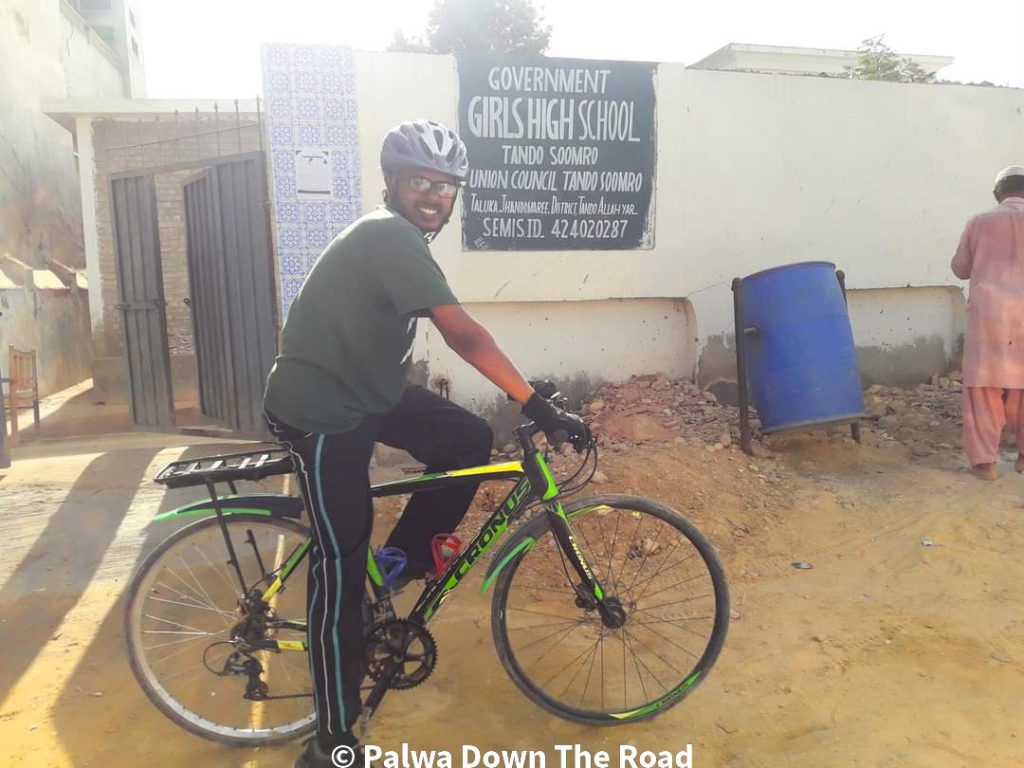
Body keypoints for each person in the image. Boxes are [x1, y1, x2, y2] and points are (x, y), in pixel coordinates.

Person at [263, 119, 588, 767]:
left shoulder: (402, 239)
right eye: (421, 182)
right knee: (339, 568)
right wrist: (535, 403)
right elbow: (463, 335)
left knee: (467, 438)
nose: (435, 196)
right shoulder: (388, 236)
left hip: (369, 393)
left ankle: (399, 564)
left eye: (446, 186)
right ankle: (331, 739)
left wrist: (527, 393)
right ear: (393, 184)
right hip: (325, 409)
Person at [950, 165, 1024, 480]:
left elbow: (960, 269)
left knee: (983, 387)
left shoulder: (979, 222)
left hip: (990, 316)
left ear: (997, 194)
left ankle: (985, 464)